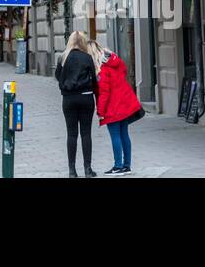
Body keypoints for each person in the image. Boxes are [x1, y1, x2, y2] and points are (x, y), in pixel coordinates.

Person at [90, 40, 142, 176]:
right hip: (125, 102)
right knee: (124, 134)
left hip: (114, 106)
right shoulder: (114, 62)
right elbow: (124, 72)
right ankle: (127, 165)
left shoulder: (103, 70)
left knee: (115, 135)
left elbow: (104, 93)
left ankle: (118, 166)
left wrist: (100, 111)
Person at [55, 31, 98, 178]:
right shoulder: (87, 58)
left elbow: (57, 76)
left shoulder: (63, 58)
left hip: (68, 99)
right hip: (86, 98)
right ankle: (88, 169)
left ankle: (72, 171)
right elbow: (94, 78)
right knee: (86, 134)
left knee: (71, 134)